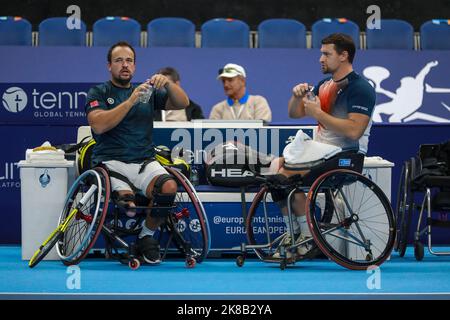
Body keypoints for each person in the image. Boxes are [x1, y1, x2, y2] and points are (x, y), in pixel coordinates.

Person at [271, 33, 376, 259]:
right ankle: (296, 234)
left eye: (326, 54)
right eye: (321, 53)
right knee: (274, 177)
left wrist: (318, 113)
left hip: (346, 156)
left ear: (344, 56)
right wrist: (296, 97)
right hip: (322, 152)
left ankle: (307, 238)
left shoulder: (361, 88)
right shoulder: (324, 85)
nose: (321, 58)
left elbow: (353, 130)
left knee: (283, 177)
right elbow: (295, 113)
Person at [84, 41, 190, 265]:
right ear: (109, 66)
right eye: (119, 60)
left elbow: (182, 102)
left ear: (134, 65)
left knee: (169, 186)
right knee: (126, 200)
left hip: (144, 160)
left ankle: (146, 237)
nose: (125, 65)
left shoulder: (148, 92)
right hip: (111, 162)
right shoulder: (99, 92)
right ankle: (128, 233)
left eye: (129, 61)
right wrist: (131, 101)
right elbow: (99, 125)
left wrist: (169, 84)